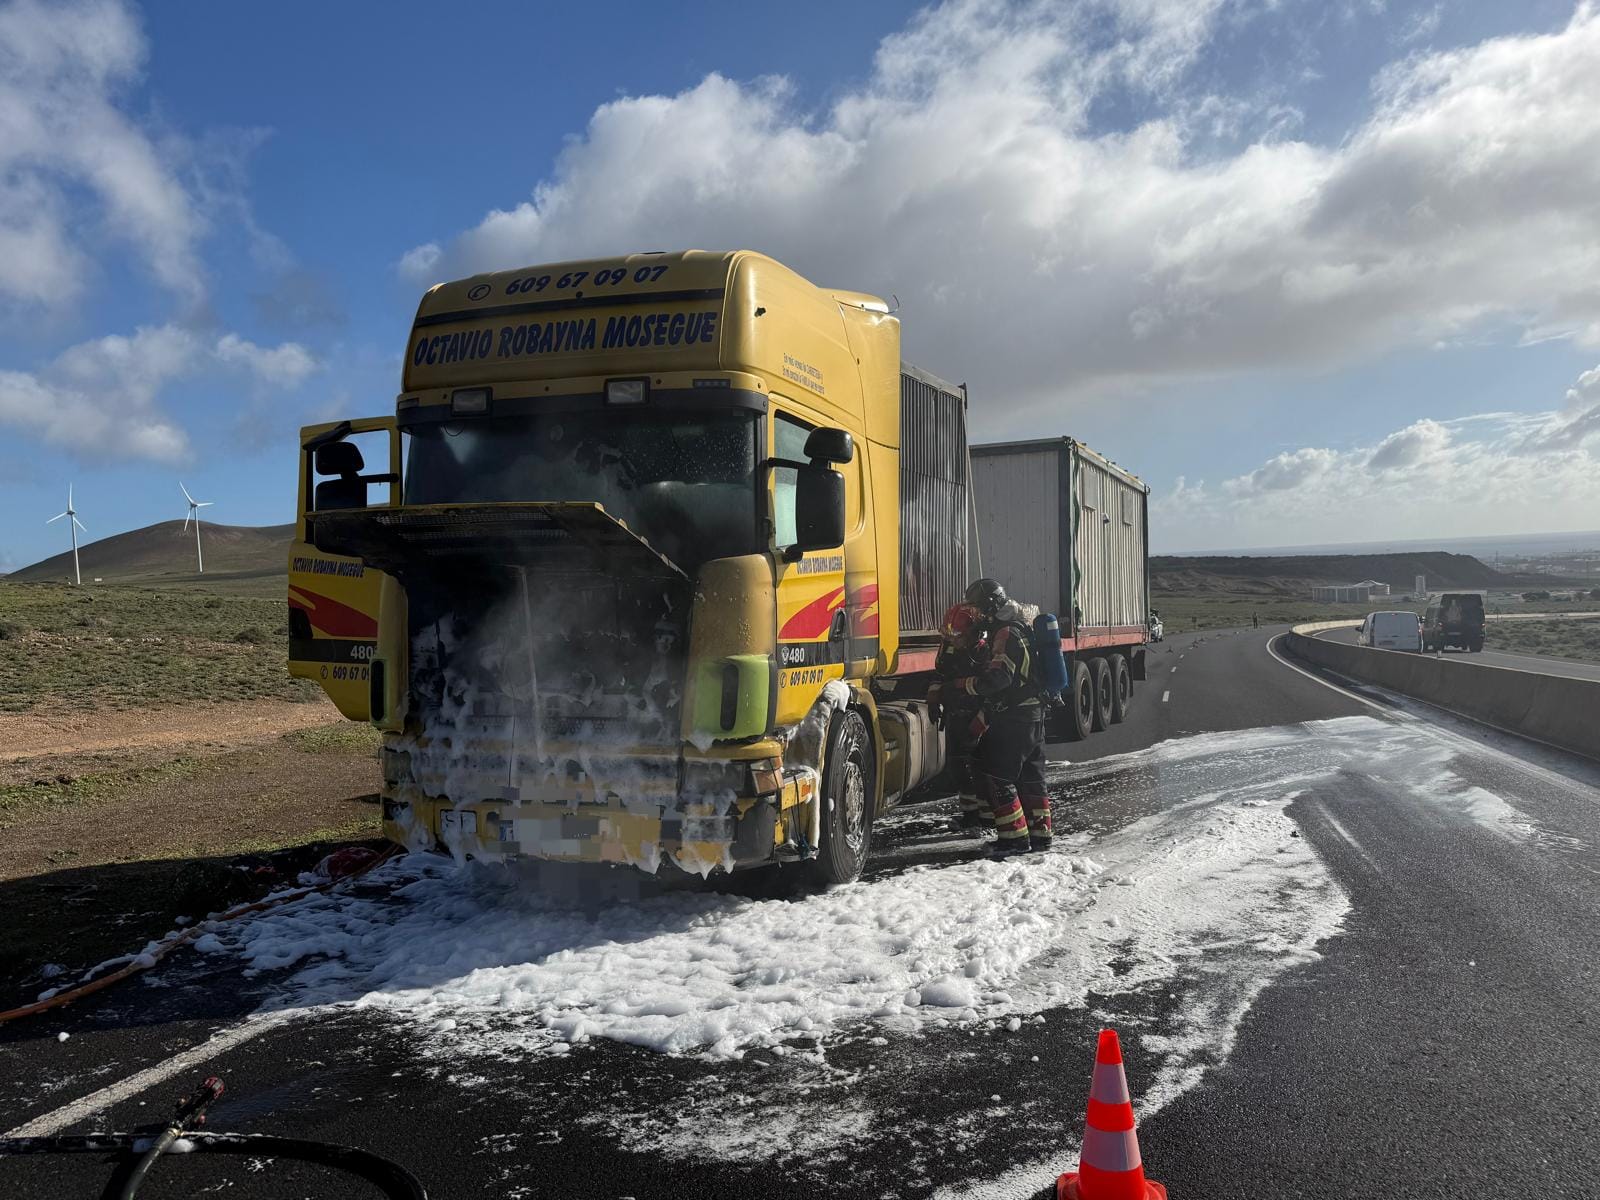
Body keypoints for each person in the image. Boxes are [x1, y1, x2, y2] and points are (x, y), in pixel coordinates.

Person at [953, 578, 1052, 857]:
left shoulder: (1005, 634)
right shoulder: (1023, 629)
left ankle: (1013, 839)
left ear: (990, 607)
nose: (976, 616)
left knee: (999, 777)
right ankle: (1041, 837)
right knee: (1032, 778)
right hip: (1034, 715)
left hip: (1015, 718)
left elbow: (998, 679)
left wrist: (964, 685)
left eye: (978, 610)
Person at [927, 603, 987, 831]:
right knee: (957, 766)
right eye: (950, 635)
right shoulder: (949, 646)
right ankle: (970, 814)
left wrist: (981, 717)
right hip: (954, 714)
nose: (953, 640)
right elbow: (939, 674)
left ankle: (987, 816)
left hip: (976, 715)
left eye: (958, 635)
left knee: (980, 767)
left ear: (973, 632)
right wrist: (933, 700)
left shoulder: (984, 650)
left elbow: (989, 687)